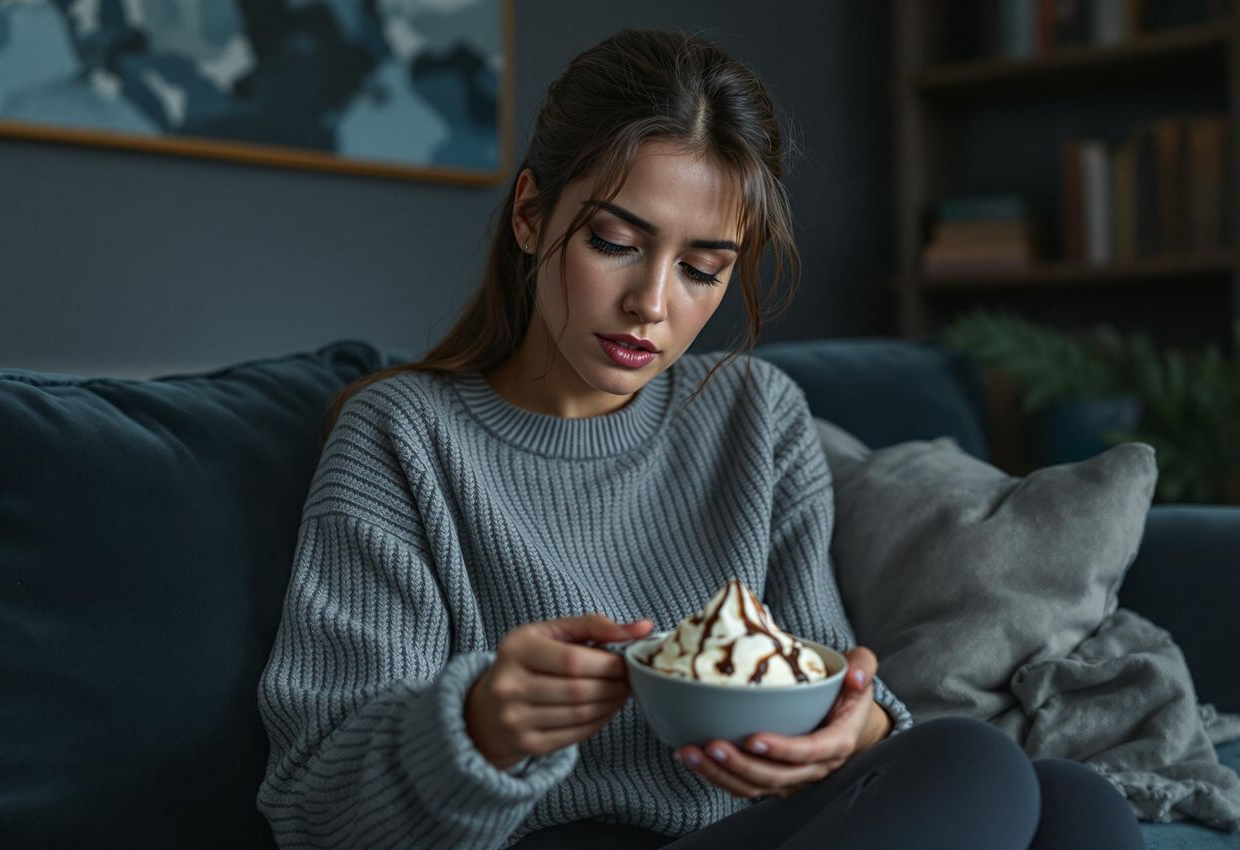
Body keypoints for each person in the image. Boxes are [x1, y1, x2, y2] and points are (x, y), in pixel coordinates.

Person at [256, 28, 1144, 850]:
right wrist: (481, 724)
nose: (652, 302)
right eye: (614, 242)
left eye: (702, 268)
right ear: (530, 214)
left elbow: (817, 684)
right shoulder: (402, 437)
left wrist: (859, 728)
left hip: (751, 828)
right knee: (976, 765)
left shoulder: (756, 414)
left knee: (1076, 803)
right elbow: (312, 803)